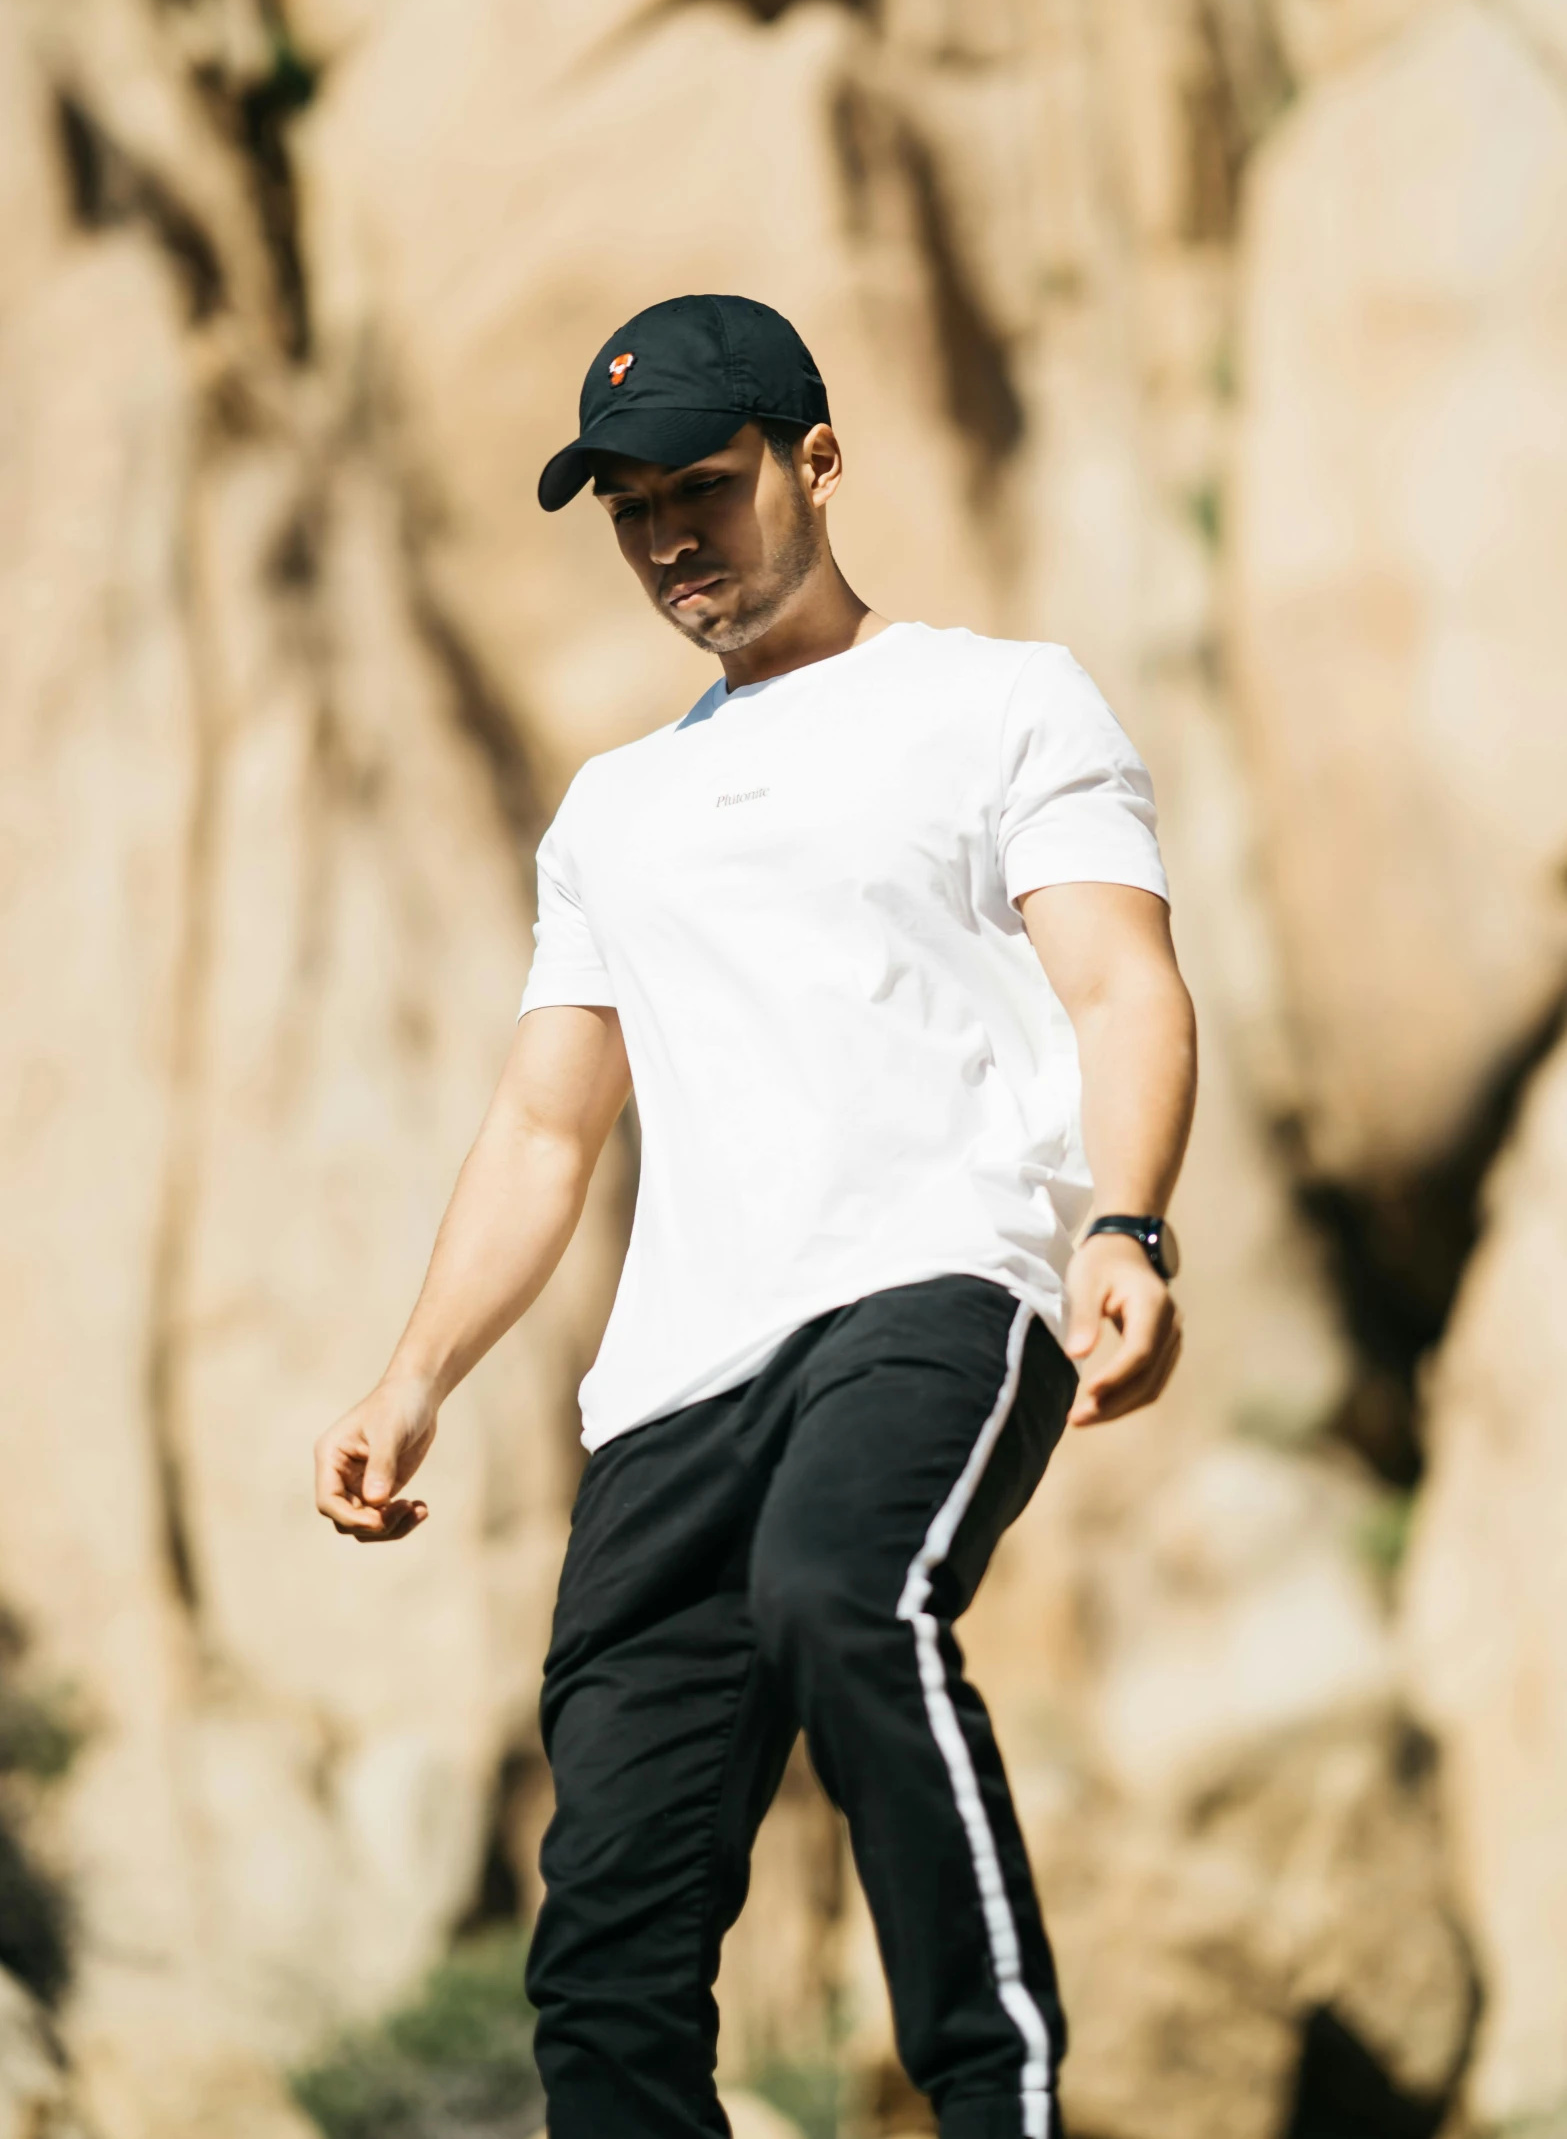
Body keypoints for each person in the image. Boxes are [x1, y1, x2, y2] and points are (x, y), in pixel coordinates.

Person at [314, 295, 1197, 2139]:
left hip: (932, 1289)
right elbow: (546, 1127)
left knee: (842, 1592)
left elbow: (1121, 986)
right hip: (669, 1394)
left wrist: (1125, 1226)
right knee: (604, 1955)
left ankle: (995, 2102)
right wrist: (414, 1377)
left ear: (815, 458)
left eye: (702, 488)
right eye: (630, 508)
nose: (668, 540)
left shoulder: (997, 697)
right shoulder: (611, 812)